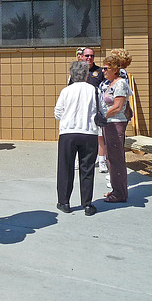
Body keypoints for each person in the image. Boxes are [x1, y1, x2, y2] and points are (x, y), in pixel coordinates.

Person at [54, 61, 99, 216]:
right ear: (86, 74)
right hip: (89, 132)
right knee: (87, 168)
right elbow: (100, 110)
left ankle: (64, 202)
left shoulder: (66, 91)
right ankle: (87, 204)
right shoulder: (93, 90)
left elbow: (58, 112)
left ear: (72, 75)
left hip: (68, 132)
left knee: (65, 167)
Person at [99, 54, 133, 203]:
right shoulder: (111, 83)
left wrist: (103, 116)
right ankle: (116, 189)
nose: (103, 71)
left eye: (106, 68)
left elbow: (118, 106)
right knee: (111, 158)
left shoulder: (120, 84)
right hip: (109, 123)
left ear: (114, 69)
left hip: (116, 123)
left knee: (116, 159)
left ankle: (120, 193)